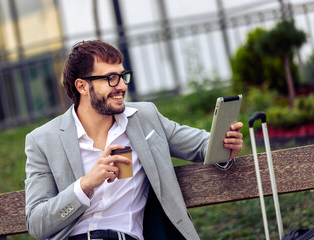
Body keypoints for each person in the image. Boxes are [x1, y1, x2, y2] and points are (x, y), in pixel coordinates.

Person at [24, 40, 243, 240]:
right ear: (82, 86)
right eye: (111, 78)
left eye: (122, 75)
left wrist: (225, 144)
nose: (121, 85)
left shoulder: (145, 118)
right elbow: (36, 223)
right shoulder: (43, 141)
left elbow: (201, 145)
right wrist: (86, 184)